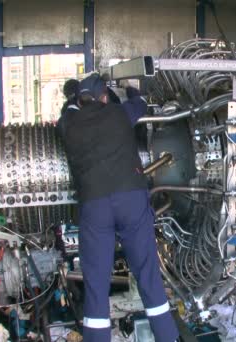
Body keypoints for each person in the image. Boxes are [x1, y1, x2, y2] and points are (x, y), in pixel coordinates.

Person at [62, 75, 179, 342]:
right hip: (131, 200)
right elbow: (140, 105)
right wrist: (130, 91)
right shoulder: (117, 114)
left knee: (96, 283)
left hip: (94, 205)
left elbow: (67, 111)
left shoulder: (69, 123)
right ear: (104, 97)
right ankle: (168, 337)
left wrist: (72, 99)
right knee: (148, 274)